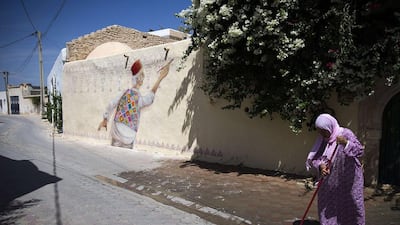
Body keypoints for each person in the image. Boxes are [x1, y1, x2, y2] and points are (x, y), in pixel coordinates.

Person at [305, 113, 365, 225]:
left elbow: (360, 151)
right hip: (330, 181)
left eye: (324, 130)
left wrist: (346, 143)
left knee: (351, 204)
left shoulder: (345, 133)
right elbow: (316, 157)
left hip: (348, 179)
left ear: (330, 126)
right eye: (319, 131)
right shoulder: (322, 139)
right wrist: (320, 165)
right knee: (328, 204)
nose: (322, 133)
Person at [98, 59, 172, 148]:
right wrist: (160, 78)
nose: (143, 78)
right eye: (142, 75)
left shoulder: (125, 93)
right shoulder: (137, 97)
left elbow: (111, 104)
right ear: (139, 78)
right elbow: (148, 99)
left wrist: (105, 119)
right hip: (129, 133)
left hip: (118, 130)